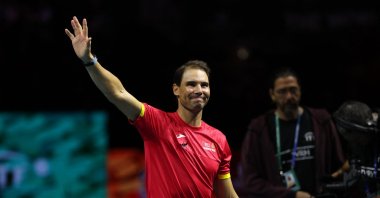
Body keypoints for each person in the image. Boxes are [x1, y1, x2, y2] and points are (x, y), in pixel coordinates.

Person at [64, 16, 239, 198]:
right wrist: (89, 61)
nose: (199, 90)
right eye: (191, 84)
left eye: (204, 85)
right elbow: (118, 93)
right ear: (176, 89)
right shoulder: (157, 123)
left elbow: (227, 194)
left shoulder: (218, 140)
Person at [239, 67, 346, 198]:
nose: (289, 96)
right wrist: (291, 195)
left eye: (293, 90)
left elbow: (340, 166)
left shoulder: (321, 121)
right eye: (282, 92)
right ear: (272, 95)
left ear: (300, 91)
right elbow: (249, 181)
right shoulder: (259, 128)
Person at [333, 100, 380, 198]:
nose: (353, 142)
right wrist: (339, 172)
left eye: (357, 139)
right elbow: (354, 159)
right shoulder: (356, 140)